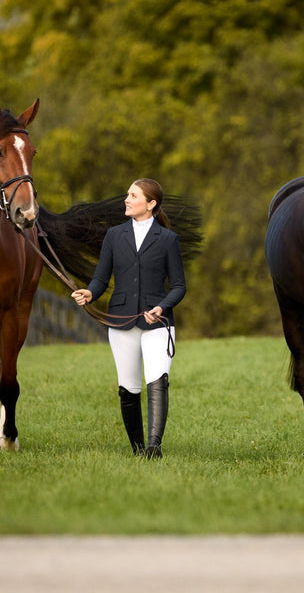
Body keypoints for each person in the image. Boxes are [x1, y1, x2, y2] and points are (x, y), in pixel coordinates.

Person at [72, 178, 186, 458]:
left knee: (157, 379)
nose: (126, 199)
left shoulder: (168, 239)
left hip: (157, 322)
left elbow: (180, 286)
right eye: (128, 194)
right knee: (128, 388)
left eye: (133, 195)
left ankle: (153, 447)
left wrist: (162, 307)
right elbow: (101, 277)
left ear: (151, 204)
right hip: (121, 320)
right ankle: (137, 450)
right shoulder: (114, 235)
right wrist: (90, 292)